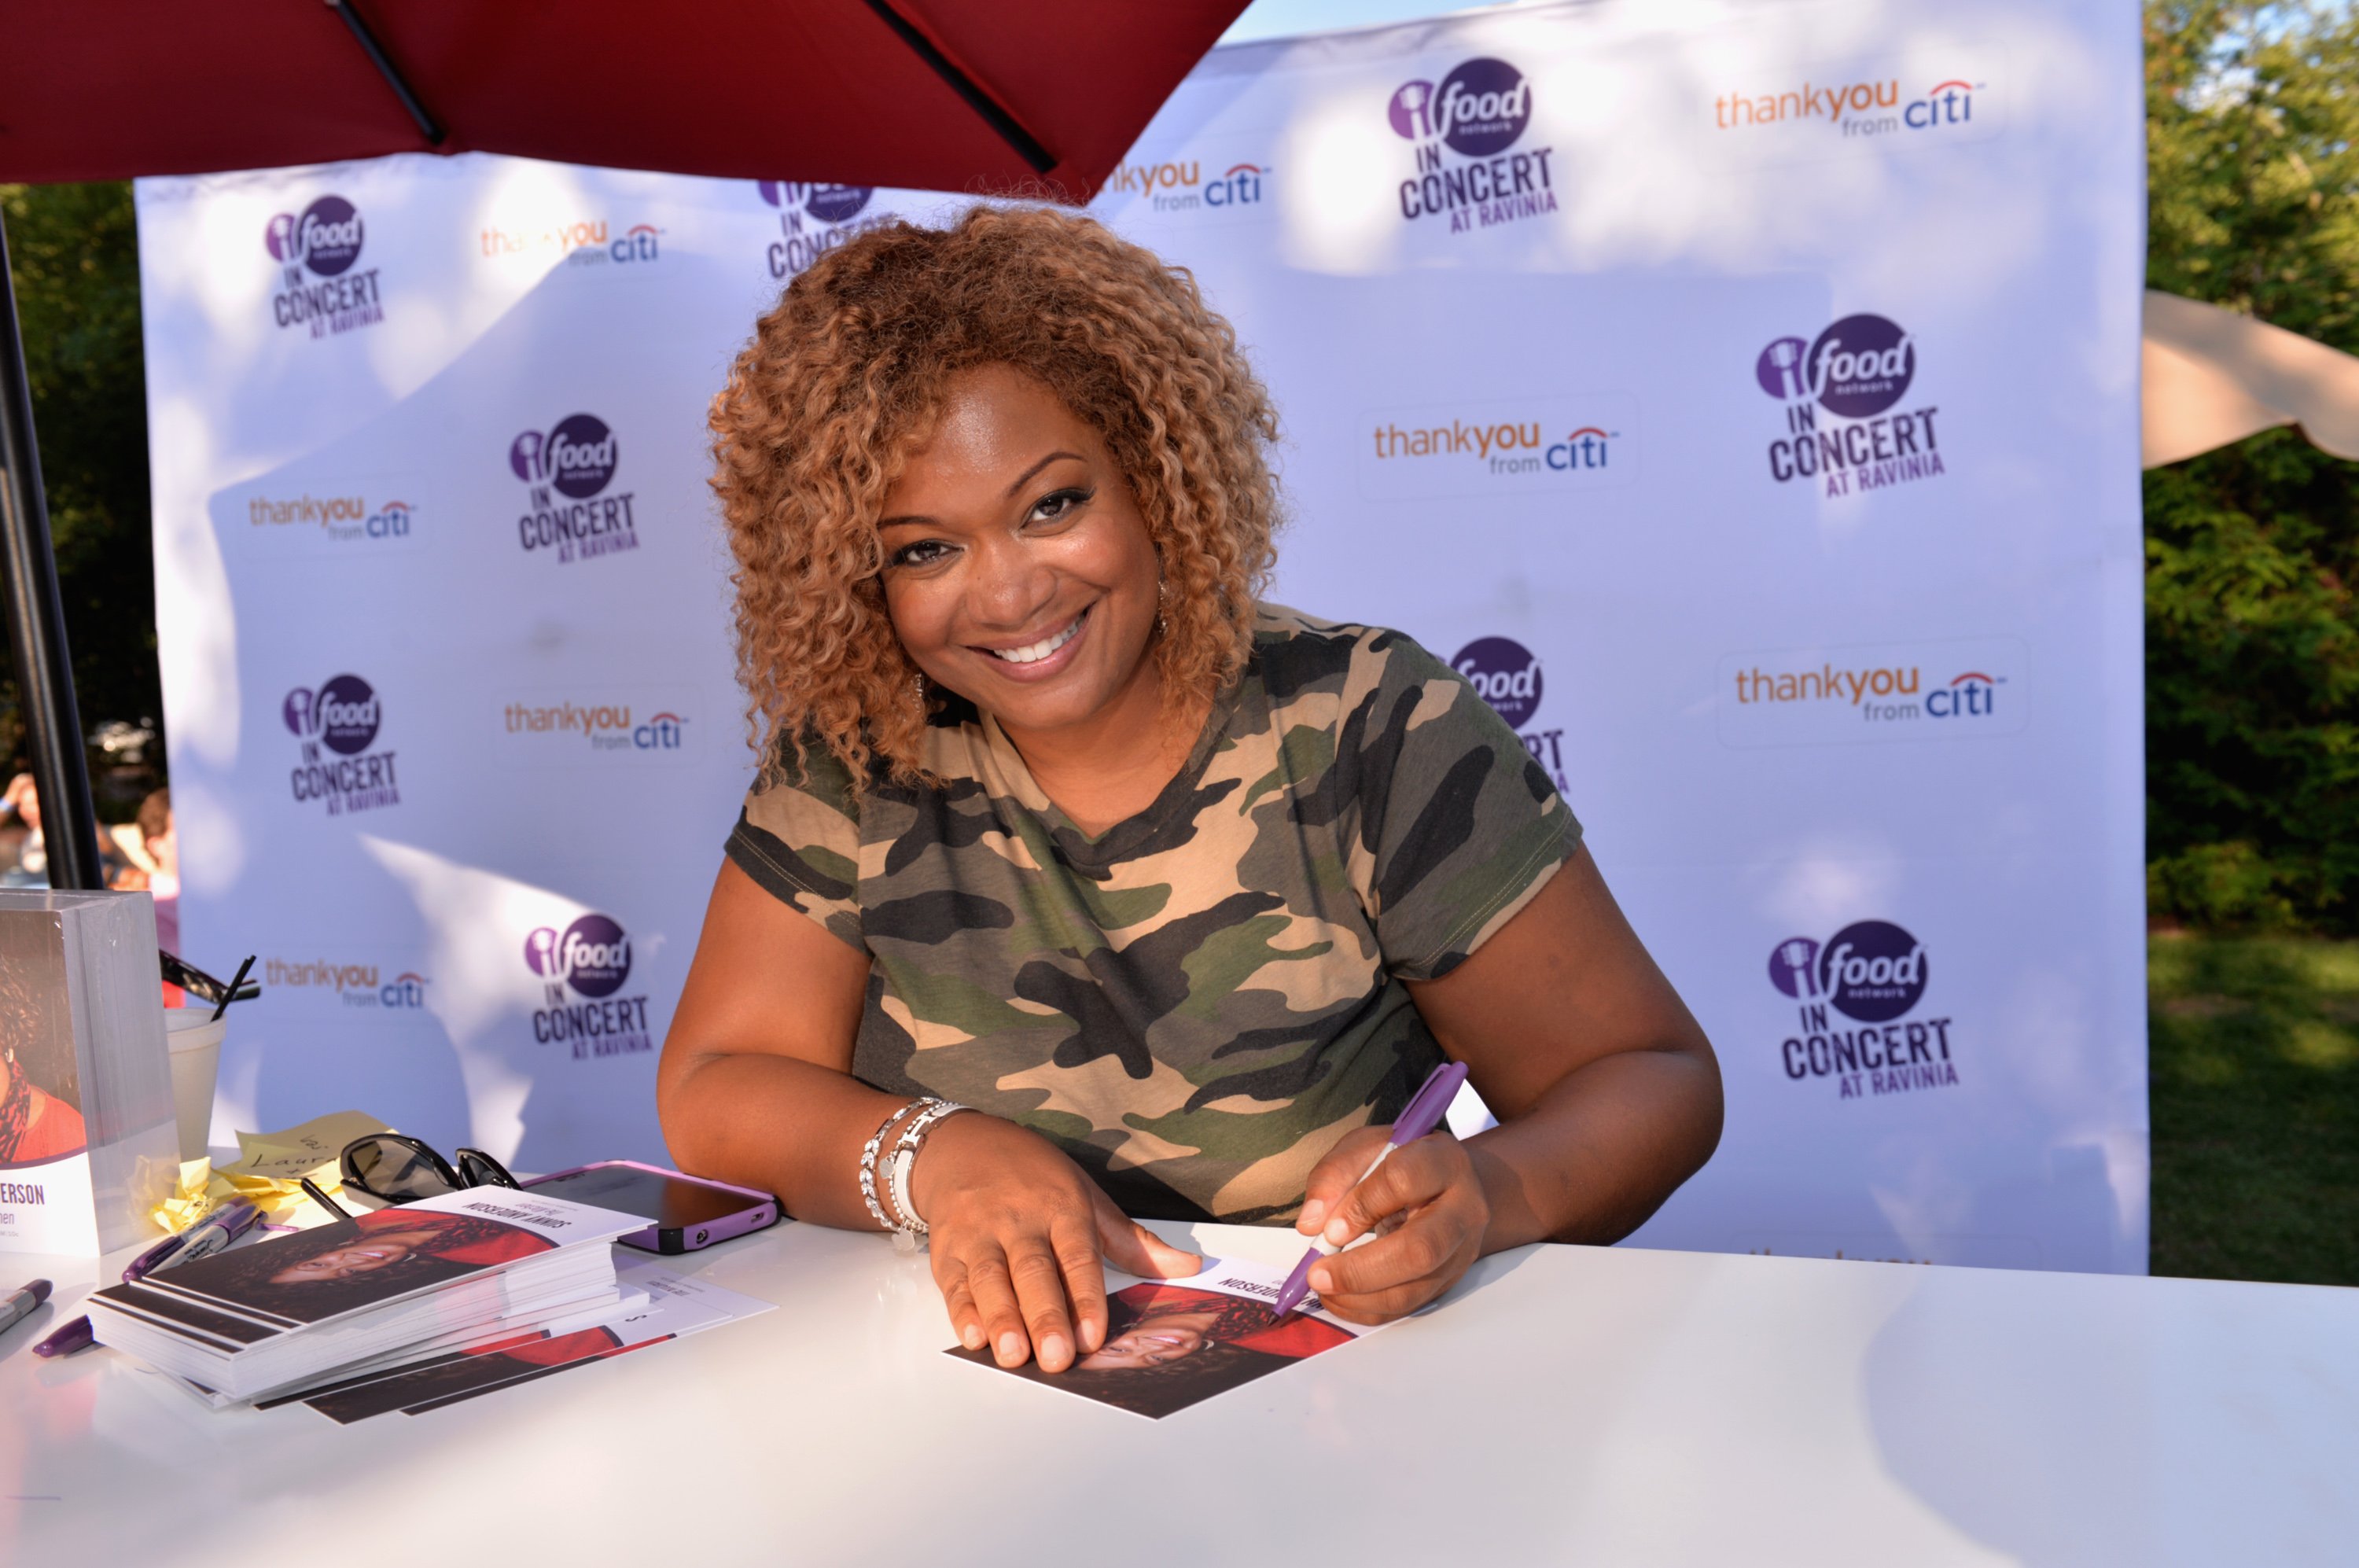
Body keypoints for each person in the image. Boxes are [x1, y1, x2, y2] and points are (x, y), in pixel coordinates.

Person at [661, 204, 1723, 1378]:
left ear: (1156, 480)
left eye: (1052, 505)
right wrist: (938, 1154)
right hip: (951, 1428)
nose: (1008, 593)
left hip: (1322, 1405)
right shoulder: (857, 754)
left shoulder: (1366, 719)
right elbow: (716, 1083)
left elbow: (1651, 1078)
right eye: (925, 549)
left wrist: (1482, 1190)